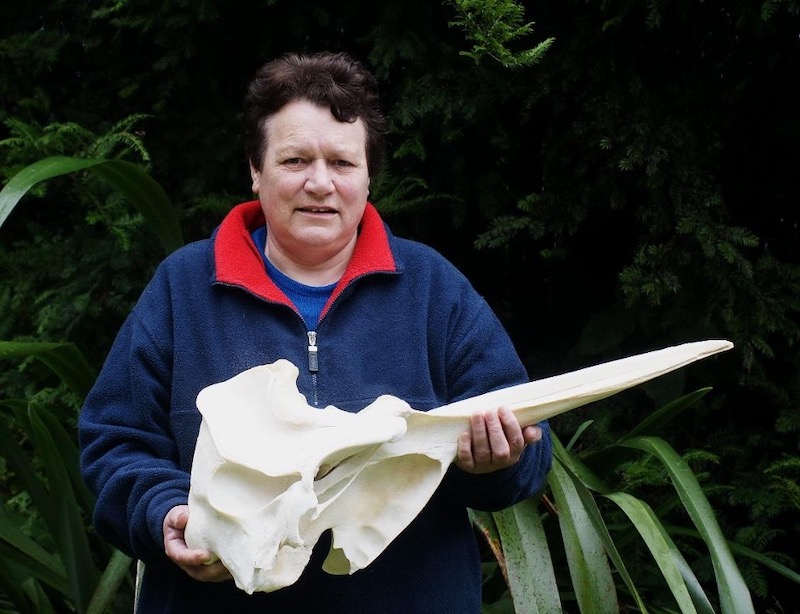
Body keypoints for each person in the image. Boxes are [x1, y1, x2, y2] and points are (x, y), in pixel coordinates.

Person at [79, 50, 553, 613]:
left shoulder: (434, 289)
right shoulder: (182, 289)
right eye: (295, 160)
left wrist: (498, 462)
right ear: (256, 170)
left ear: (368, 176)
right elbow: (114, 443)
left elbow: (527, 447)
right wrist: (166, 514)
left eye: (343, 163)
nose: (320, 183)